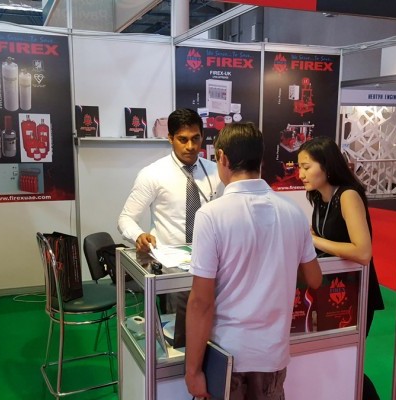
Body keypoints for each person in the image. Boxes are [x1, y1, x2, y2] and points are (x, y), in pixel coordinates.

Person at [185, 122, 323, 399]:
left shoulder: (211, 215)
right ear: (260, 159)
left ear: (222, 157)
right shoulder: (293, 212)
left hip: (228, 355)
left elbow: (201, 301)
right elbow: (315, 279)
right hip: (273, 355)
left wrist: (192, 370)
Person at [117, 108, 223, 347]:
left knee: (211, 332)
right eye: (182, 139)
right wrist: (139, 235)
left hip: (210, 264)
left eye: (195, 138)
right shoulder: (153, 174)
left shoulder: (216, 172)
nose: (190, 146)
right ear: (170, 138)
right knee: (179, 336)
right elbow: (125, 218)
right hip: (171, 270)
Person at [297, 136, 385, 400]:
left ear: (326, 166)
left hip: (355, 293)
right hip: (332, 290)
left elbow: (363, 252)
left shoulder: (347, 196)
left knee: (349, 359)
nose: (301, 174)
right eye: (299, 167)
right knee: (333, 357)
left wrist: (312, 239)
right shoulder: (319, 198)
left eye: (306, 167)